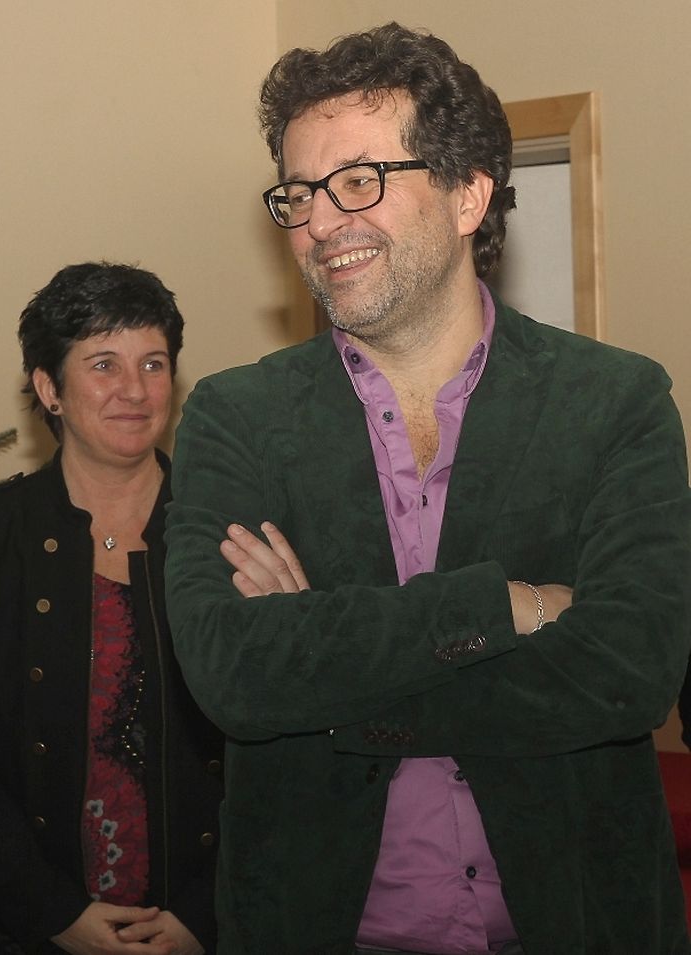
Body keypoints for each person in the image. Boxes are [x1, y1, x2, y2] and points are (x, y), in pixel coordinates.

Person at [164, 23, 691, 955]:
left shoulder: (615, 400)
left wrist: (328, 677)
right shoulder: (235, 416)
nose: (320, 222)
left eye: (359, 180)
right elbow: (232, 673)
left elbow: (629, 669)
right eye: (299, 193)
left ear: (467, 194)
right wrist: (504, 606)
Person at [0, 263, 223, 954]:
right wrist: (54, 914)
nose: (135, 390)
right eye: (104, 364)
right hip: (27, 928)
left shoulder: (225, 531)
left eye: (153, 364)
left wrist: (204, 916)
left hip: (201, 926)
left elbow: (277, 744)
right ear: (49, 388)